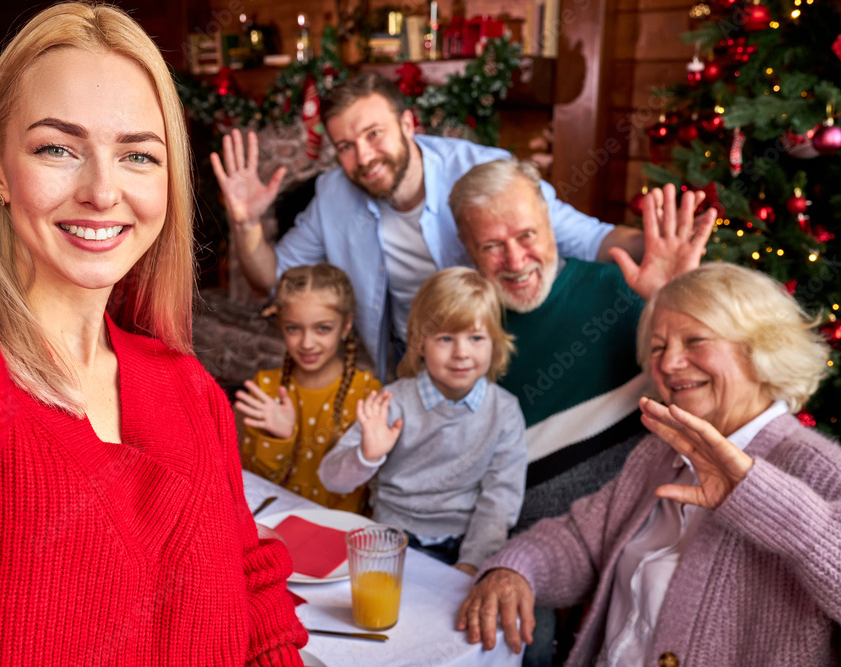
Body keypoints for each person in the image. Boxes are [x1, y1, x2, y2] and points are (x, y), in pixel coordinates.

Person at [0, 4, 306, 665]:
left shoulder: (191, 388)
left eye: (138, 154)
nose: (101, 189)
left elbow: (250, 582)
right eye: (57, 148)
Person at [456, 262, 841, 666]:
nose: (670, 363)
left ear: (761, 348)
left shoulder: (819, 467)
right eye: (658, 347)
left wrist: (757, 496)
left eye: (695, 340)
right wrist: (516, 569)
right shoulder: (660, 453)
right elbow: (580, 542)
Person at [210, 73, 647, 379]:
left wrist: (655, 244)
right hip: (403, 364)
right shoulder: (332, 195)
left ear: (407, 124)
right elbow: (272, 280)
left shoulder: (484, 171)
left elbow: (590, 238)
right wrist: (247, 223)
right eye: (346, 145)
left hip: (492, 357)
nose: (363, 157)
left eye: (374, 134)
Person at [450, 158, 712, 664]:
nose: (516, 259)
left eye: (527, 234)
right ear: (468, 250)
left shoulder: (623, 291)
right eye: (491, 246)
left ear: (552, 225)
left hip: (629, 527)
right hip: (518, 545)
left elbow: (706, 405)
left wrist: (671, 303)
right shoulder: (465, 325)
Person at [319, 267, 527, 575]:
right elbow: (330, 478)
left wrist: (472, 562)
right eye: (445, 338)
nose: (461, 353)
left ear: (494, 343)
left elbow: (500, 501)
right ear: (419, 342)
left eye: (476, 337)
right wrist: (368, 455)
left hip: (464, 546)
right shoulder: (392, 402)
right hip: (390, 537)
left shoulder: (505, 412)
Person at [236, 263, 381, 513]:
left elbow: (369, 482)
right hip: (277, 520)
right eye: (294, 328)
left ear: (346, 325)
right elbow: (253, 483)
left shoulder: (367, 392)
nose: (307, 343)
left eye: (323, 328)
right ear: (282, 325)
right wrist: (278, 438)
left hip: (341, 529)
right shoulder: (266, 388)